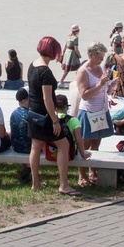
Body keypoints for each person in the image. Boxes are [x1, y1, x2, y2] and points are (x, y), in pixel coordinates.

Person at [27, 36, 80, 196]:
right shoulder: (46, 72)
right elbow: (47, 98)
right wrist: (55, 120)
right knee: (63, 145)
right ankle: (63, 185)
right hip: (45, 114)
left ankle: (35, 183)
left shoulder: (32, 65)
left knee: (35, 147)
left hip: (33, 112)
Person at [74, 42, 114, 186]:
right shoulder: (83, 71)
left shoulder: (101, 68)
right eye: (99, 57)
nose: (101, 60)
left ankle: (93, 171)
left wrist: (111, 87)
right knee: (84, 145)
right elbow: (84, 95)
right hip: (89, 112)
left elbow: (105, 90)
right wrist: (100, 85)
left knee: (96, 143)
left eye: (103, 57)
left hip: (101, 111)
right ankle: (82, 174)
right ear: (90, 55)